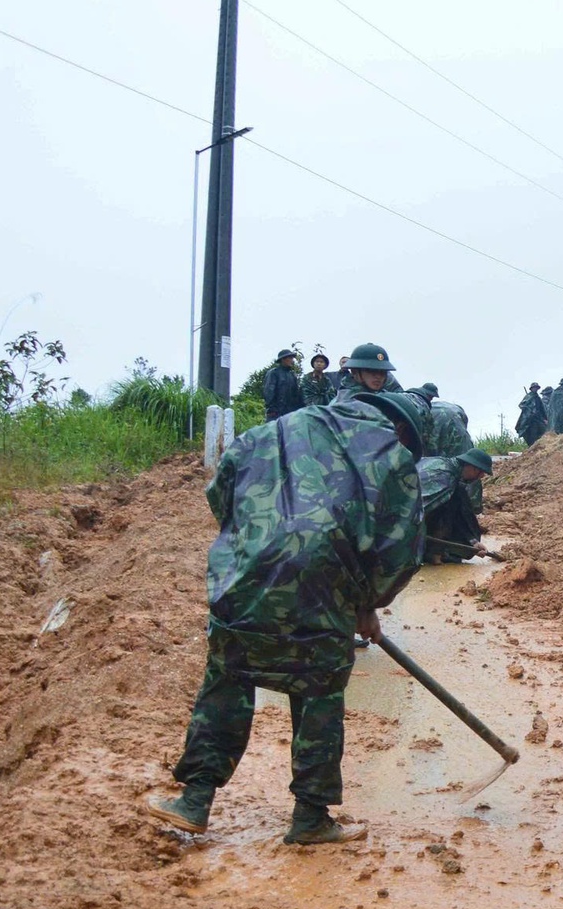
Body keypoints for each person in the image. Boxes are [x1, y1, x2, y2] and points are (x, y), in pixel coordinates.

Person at [145, 386, 428, 845]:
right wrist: (368, 604)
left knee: (226, 680)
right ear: (397, 424)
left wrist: (256, 539)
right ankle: (311, 818)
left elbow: (221, 494)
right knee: (319, 693)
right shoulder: (389, 453)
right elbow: (401, 549)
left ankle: (195, 801)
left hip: (243, 580)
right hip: (323, 590)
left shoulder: (272, 429)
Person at [419, 447, 494, 562]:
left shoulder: (443, 464)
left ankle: (434, 551)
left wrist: (472, 542)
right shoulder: (445, 479)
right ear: (473, 468)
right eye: (481, 473)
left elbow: (460, 513)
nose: (482, 477)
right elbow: (417, 508)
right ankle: (432, 552)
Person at [336, 343, 404, 401]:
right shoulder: (344, 401)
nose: (378, 376)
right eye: (371, 371)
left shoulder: (388, 398)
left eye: (383, 372)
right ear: (354, 372)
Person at [263, 349, 303, 421]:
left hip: (289, 413)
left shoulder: (292, 375)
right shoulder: (273, 373)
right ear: (283, 359)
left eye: (292, 358)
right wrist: (272, 409)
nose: (292, 360)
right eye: (290, 358)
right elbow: (269, 391)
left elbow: (296, 394)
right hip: (275, 413)